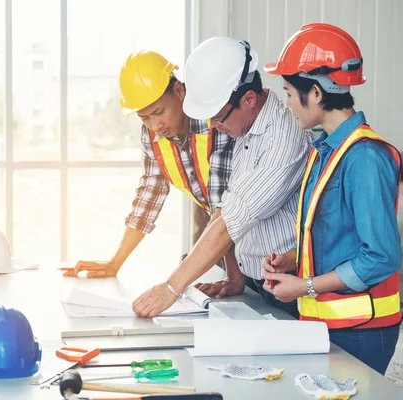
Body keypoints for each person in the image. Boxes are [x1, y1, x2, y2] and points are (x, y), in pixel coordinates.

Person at [132, 37, 312, 319]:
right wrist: (236, 276)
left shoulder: (281, 139)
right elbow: (225, 209)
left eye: (216, 118)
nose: (213, 126)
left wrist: (170, 288)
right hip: (263, 285)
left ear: (249, 99)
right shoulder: (246, 128)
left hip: (294, 291)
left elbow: (229, 223)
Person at [261, 23, 401, 375]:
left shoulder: (365, 157)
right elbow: (333, 236)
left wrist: (305, 286)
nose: (288, 103)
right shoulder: (324, 151)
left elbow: (381, 256)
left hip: (363, 332)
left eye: (291, 93)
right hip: (329, 327)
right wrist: (290, 261)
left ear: (318, 94)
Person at [63, 50, 237, 282]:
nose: (155, 125)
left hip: (253, 230)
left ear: (179, 91)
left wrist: (175, 285)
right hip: (218, 227)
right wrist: (115, 262)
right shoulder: (151, 134)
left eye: (158, 112)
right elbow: (150, 194)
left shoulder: (215, 120)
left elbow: (223, 207)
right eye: (144, 118)